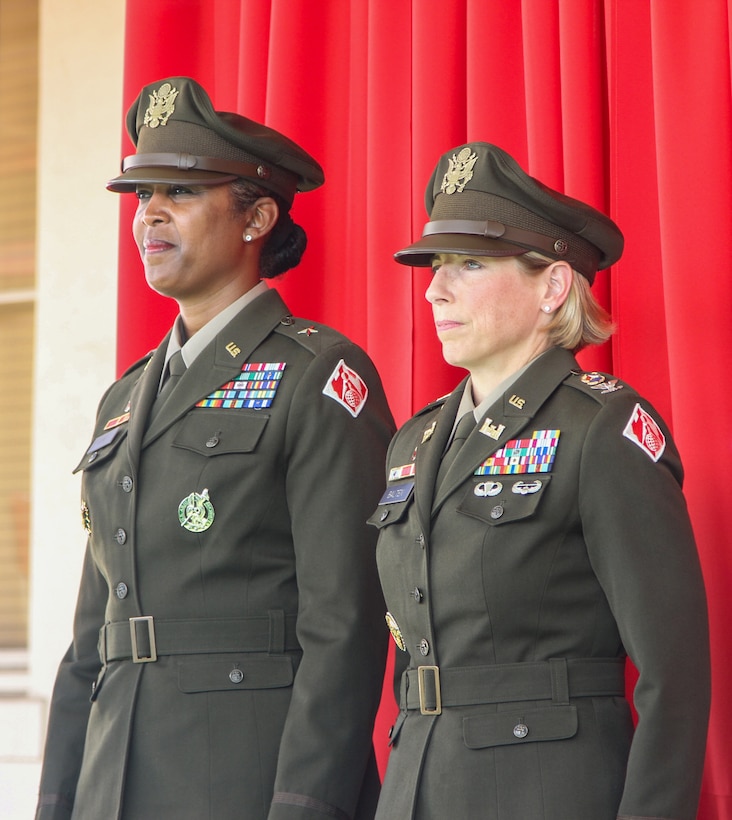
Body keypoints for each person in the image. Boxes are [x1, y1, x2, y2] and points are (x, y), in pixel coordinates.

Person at [35, 76, 395, 820]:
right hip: (114, 781)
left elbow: (346, 624)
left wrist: (307, 803)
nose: (151, 216)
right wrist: (58, 798)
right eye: (142, 196)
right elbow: (91, 639)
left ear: (258, 215)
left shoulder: (318, 375)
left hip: (243, 782)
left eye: (182, 193)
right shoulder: (124, 399)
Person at [368, 142, 710, 820]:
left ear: (552, 287)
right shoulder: (415, 440)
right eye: (437, 266)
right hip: (417, 790)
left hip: (546, 792)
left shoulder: (602, 428)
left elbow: (674, 677)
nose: (436, 288)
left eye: (468, 264)